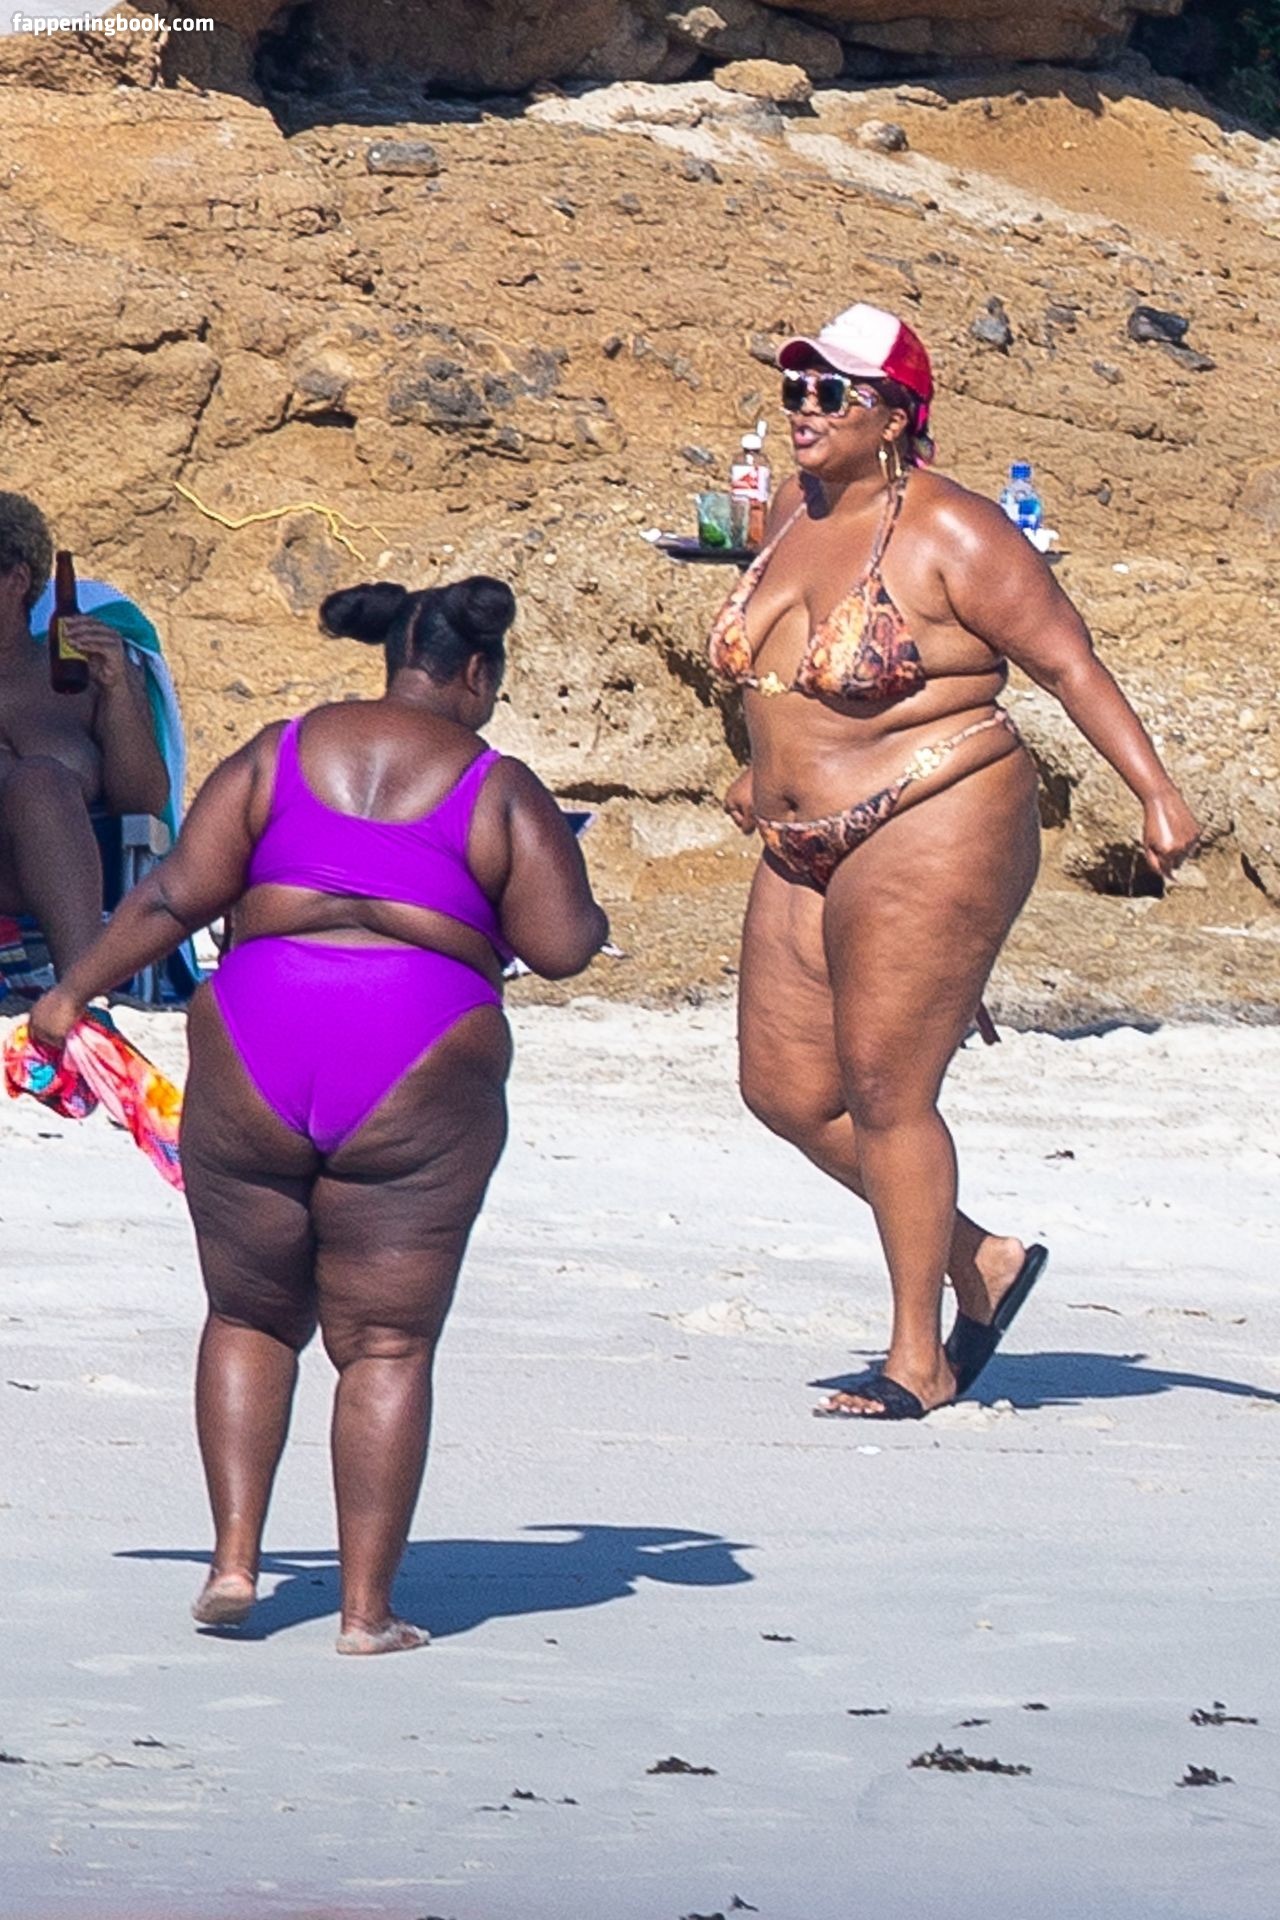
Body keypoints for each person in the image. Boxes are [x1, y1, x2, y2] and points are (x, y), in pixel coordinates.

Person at [31, 575, 608, 1652]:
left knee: (248, 1315)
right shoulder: (497, 787)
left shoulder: (279, 752)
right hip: (419, 1046)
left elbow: (174, 895)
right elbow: (563, 946)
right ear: (475, 672)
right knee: (385, 1343)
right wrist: (589, 899)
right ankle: (364, 1614)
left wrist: (70, 995)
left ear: (392, 656)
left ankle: (234, 1563)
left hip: (258, 1031)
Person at [709, 304, 1200, 1421]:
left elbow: (1068, 666)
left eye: (831, 392)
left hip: (937, 810)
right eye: (794, 388)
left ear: (893, 415)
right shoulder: (789, 511)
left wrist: (1155, 793)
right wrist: (764, 764)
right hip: (799, 838)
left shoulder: (957, 532)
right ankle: (979, 1258)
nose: (803, 410)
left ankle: (916, 1357)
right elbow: (788, 672)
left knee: (887, 1088)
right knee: (783, 1091)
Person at [0, 492, 170, 975]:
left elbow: (143, 803)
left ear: (16, 580)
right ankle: (82, 987)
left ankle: (80, 988)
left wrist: (117, 689)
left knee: (39, 782)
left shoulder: (80, 674)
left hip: (70, 892)